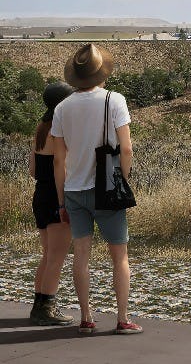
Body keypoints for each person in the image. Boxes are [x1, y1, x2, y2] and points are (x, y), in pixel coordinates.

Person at [51, 44, 142, 335]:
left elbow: (58, 159)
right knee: (120, 256)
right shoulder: (114, 101)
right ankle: (123, 318)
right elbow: (126, 148)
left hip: (74, 190)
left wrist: (61, 200)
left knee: (81, 254)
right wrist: (120, 180)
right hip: (106, 188)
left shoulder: (62, 107)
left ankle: (87, 317)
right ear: (102, 72)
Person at [29, 81, 76, 326]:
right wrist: (62, 201)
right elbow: (61, 167)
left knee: (48, 254)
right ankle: (47, 308)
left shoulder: (40, 127)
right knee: (57, 256)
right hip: (57, 195)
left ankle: (39, 306)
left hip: (40, 194)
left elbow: (33, 170)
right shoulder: (60, 131)